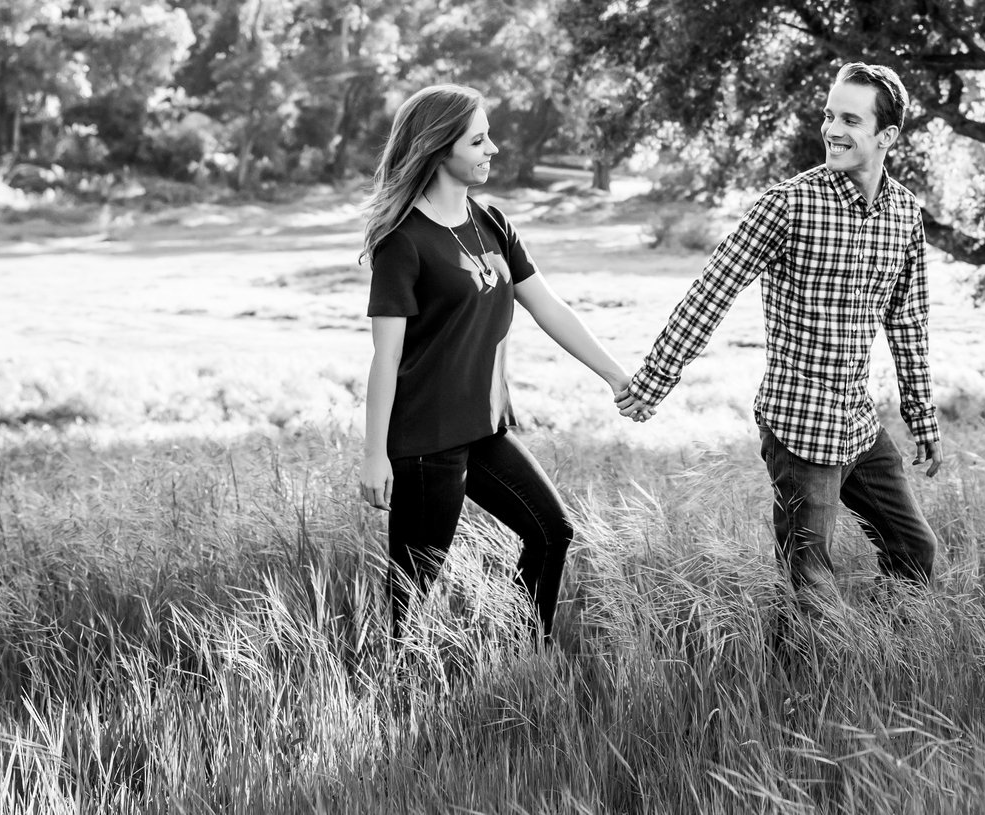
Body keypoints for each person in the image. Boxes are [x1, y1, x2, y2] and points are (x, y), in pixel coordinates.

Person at [618, 63, 942, 602]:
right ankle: (803, 662)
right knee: (810, 588)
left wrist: (921, 415)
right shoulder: (788, 204)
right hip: (799, 423)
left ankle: (887, 648)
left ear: (886, 136)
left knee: (914, 550)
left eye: (850, 120)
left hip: (858, 423)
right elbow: (713, 291)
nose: (831, 129)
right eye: (829, 115)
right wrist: (655, 380)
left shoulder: (904, 213)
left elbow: (908, 321)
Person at [359, 83, 631, 643]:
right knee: (410, 595)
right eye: (478, 140)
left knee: (551, 532)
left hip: (484, 428)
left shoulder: (492, 222)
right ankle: (387, 685)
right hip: (426, 440)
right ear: (439, 149)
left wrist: (616, 376)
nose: (493, 149)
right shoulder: (402, 242)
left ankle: (522, 657)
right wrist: (374, 455)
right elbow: (386, 358)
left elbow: (549, 307)